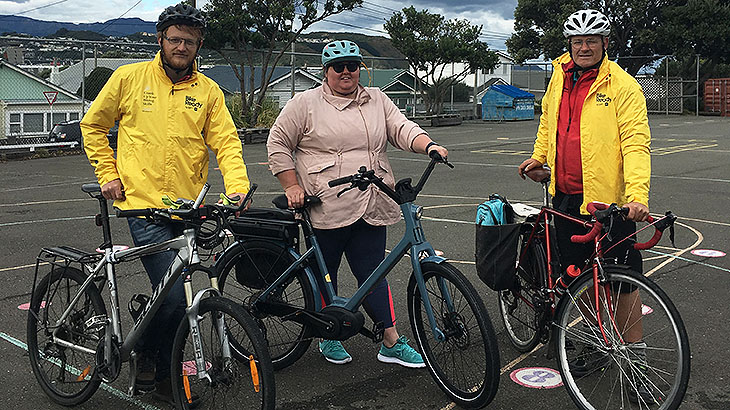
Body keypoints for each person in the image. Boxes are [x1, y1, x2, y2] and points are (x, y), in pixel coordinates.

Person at [81, 2, 250, 403]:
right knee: (174, 296)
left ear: (198, 46)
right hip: (142, 206)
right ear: (160, 40)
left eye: (189, 41)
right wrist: (108, 175)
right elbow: (94, 125)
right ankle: (149, 363)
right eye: (174, 39)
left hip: (187, 207)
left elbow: (225, 142)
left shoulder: (208, 91)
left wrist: (237, 186)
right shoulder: (129, 78)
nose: (181, 46)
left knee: (179, 297)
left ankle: (160, 360)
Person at [267, 40, 448, 368]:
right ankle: (327, 336)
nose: (346, 72)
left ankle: (390, 341)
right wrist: (291, 185)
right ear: (326, 71)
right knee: (326, 273)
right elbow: (278, 142)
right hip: (326, 200)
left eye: (352, 65)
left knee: (373, 272)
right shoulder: (305, 103)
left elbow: (401, 128)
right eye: (339, 66)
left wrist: (429, 145)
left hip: (372, 197)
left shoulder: (376, 98)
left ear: (360, 69)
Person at [518, 9, 652, 401]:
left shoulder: (623, 86)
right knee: (580, 276)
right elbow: (549, 123)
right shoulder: (559, 75)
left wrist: (637, 196)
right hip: (564, 195)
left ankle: (637, 358)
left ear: (605, 43)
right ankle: (598, 343)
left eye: (592, 40)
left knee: (623, 280)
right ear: (570, 45)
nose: (584, 47)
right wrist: (539, 157)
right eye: (577, 41)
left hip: (608, 201)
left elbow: (635, 142)